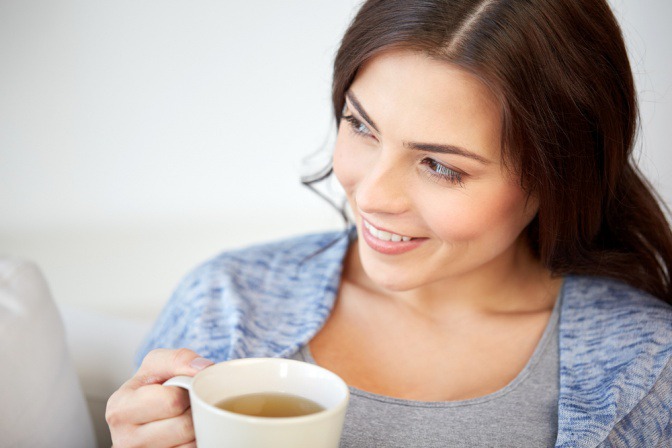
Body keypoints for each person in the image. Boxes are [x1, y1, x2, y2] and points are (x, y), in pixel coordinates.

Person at [106, 0, 672, 446]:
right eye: (361, 126)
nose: (372, 195)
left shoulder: (646, 369)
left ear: (560, 175)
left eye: (440, 166)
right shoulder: (224, 303)